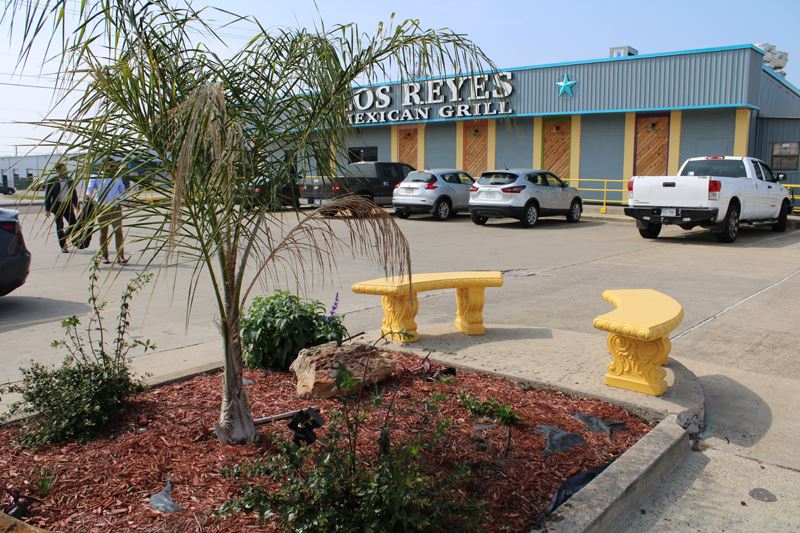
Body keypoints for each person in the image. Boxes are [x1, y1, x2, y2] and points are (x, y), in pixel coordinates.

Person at [86, 160, 129, 264]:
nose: (112, 167)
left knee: (118, 232)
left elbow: (122, 191)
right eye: (110, 165)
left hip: (115, 207)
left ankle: (120, 256)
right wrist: (88, 194)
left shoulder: (117, 177)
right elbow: (90, 186)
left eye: (113, 165)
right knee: (103, 233)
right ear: (104, 165)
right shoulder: (96, 176)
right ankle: (105, 256)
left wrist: (125, 201)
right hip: (101, 207)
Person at [44, 163, 78, 253]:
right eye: (63, 169)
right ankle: (63, 246)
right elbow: (47, 196)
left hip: (67, 205)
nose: (65, 171)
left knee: (74, 223)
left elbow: (74, 193)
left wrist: (76, 205)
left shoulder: (69, 180)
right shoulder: (52, 181)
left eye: (66, 169)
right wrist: (47, 210)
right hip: (57, 206)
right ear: (58, 171)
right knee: (60, 226)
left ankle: (64, 237)